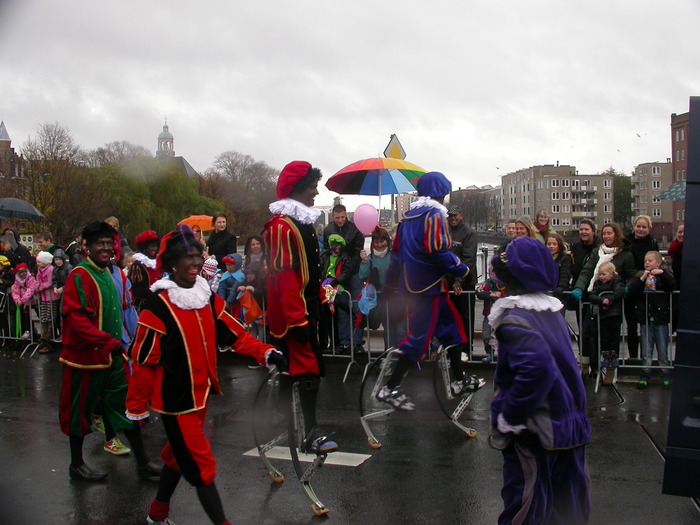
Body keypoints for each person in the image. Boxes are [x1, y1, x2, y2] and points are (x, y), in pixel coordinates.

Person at [125, 226, 285, 525]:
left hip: (200, 397)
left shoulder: (207, 298)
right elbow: (143, 361)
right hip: (175, 402)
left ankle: (157, 514)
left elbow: (236, 335)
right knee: (201, 465)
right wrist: (135, 406)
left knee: (176, 456)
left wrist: (266, 352)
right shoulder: (158, 306)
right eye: (188, 257)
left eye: (199, 255)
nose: (196, 262)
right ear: (173, 261)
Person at [487, 236, 591, 525]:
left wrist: (511, 416)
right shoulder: (550, 311)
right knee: (566, 511)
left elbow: (536, 369)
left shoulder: (514, 317)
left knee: (525, 508)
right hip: (569, 426)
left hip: (536, 430)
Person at [58, 221, 160, 482]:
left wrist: (126, 340)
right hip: (85, 360)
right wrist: (105, 340)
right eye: (99, 244)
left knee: (127, 408)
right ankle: (76, 464)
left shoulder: (110, 273)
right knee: (79, 411)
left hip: (112, 357)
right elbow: (75, 318)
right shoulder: (79, 275)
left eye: (108, 244)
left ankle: (142, 463)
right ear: (86, 247)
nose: (105, 248)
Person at [381, 171, 484, 410]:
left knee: (453, 331)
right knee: (418, 339)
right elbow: (437, 250)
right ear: (441, 193)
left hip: (418, 286)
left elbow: (397, 256)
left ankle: (459, 380)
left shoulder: (408, 217)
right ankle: (390, 387)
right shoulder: (435, 215)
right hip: (427, 288)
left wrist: (389, 284)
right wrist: (462, 269)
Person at [263, 160, 338, 454]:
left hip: (307, 309)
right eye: (311, 188)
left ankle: (281, 419)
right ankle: (310, 432)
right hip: (295, 315)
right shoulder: (282, 227)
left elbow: (308, 273)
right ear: (296, 190)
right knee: (306, 369)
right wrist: (299, 319)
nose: (316, 193)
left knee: (295, 367)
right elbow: (284, 278)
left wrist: (321, 295)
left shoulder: (300, 224)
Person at [571, 222, 636, 374]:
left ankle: (610, 369)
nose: (607, 236)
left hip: (611, 303)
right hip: (595, 299)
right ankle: (589, 366)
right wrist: (579, 288)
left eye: (609, 233)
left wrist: (627, 287)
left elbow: (632, 274)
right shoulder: (596, 252)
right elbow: (587, 271)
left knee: (610, 337)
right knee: (587, 333)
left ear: (616, 235)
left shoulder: (625, 255)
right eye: (604, 234)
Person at [629, 251, 675, 390]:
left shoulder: (663, 275)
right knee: (646, 351)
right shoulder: (641, 276)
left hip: (660, 318)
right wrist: (642, 278)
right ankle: (645, 376)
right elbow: (632, 290)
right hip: (646, 318)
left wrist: (662, 273)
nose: (647, 263)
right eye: (645, 261)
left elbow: (671, 286)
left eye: (650, 261)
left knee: (662, 350)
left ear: (658, 263)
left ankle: (665, 376)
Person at [355, 227, 406, 350]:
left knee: (401, 330)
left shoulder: (394, 255)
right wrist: (364, 262)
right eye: (376, 242)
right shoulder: (371, 258)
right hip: (382, 300)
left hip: (397, 298)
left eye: (382, 241)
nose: (379, 245)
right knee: (388, 330)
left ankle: (402, 358)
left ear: (387, 241)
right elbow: (363, 276)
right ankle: (390, 358)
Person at [624, 215, 660, 359]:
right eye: (638, 226)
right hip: (632, 286)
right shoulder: (627, 241)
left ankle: (646, 357)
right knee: (631, 327)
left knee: (646, 326)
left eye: (644, 227)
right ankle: (633, 357)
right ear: (634, 226)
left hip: (647, 288)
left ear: (648, 228)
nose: (640, 229)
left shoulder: (652, 243)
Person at [587, 262, 625, 380]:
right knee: (604, 338)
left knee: (614, 339)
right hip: (602, 316)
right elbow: (591, 295)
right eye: (600, 274)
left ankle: (612, 363)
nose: (602, 277)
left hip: (614, 315)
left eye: (604, 274)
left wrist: (609, 299)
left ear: (611, 273)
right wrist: (602, 299)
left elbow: (619, 292)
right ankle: (605, 359)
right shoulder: (598, 283)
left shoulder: (617, 281)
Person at [447, 204, 478, 347]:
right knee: (450, 316)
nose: (452, 218)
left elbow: (469, 260)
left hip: (465, 282)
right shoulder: (444, 231)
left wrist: (458, 280)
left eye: (455, 215)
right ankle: (452, 348)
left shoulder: (469, 233)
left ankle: (467, 348)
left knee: (466, 316)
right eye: (450, 216)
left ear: (461, 216)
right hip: (448, 281)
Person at [319, 234, 354, 352]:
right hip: (324, 289)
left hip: (338, 288)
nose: (337, 247)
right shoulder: (324, 256)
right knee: (326, 317)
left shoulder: (345, 258)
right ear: (330, 245)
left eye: (338, 245)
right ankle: (325, 344)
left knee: (337, 314)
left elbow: (346, 272)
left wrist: (335, 281)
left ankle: (338, 343)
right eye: (334, 245)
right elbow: (319, 270)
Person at [34, 251, 60, 353]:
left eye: (39, 262)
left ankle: (49, 339)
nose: (38, 264)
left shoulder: (50, 269)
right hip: (43, 297)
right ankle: (44, 337)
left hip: (52, 297)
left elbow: (50, 282)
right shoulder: (39, 270)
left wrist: (41, 287)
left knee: (50, 318)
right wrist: (37, 287)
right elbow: (37, 280)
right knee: (43, 317)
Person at [130, 230, 161, 311]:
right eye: (152, 246)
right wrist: (153, 292)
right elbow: (135, 290)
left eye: (155, 246)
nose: (154, 248)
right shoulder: (137, 266)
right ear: (144, 247)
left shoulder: (157, 263)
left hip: (157, 304)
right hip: (143, 307)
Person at [545, 232, 572, 309]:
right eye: (549, 244)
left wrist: (561, 286)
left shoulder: (564, 259)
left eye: (554, 244)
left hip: (559, 294)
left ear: (559, 246)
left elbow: (565, 274)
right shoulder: (542, 259)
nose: (551, 246)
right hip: (545, 293)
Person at [10, 263, 36, 341]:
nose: (23, 274)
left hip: (32, 301)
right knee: (25, 317)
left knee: (40, 316)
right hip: (24, 303)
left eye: (24, 271)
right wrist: (17, 300)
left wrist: (22, 300)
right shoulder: (17, 281)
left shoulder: (30, 278)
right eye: (21, 272)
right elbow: (15, 291)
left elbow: (31, 289)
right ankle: (29, 331)